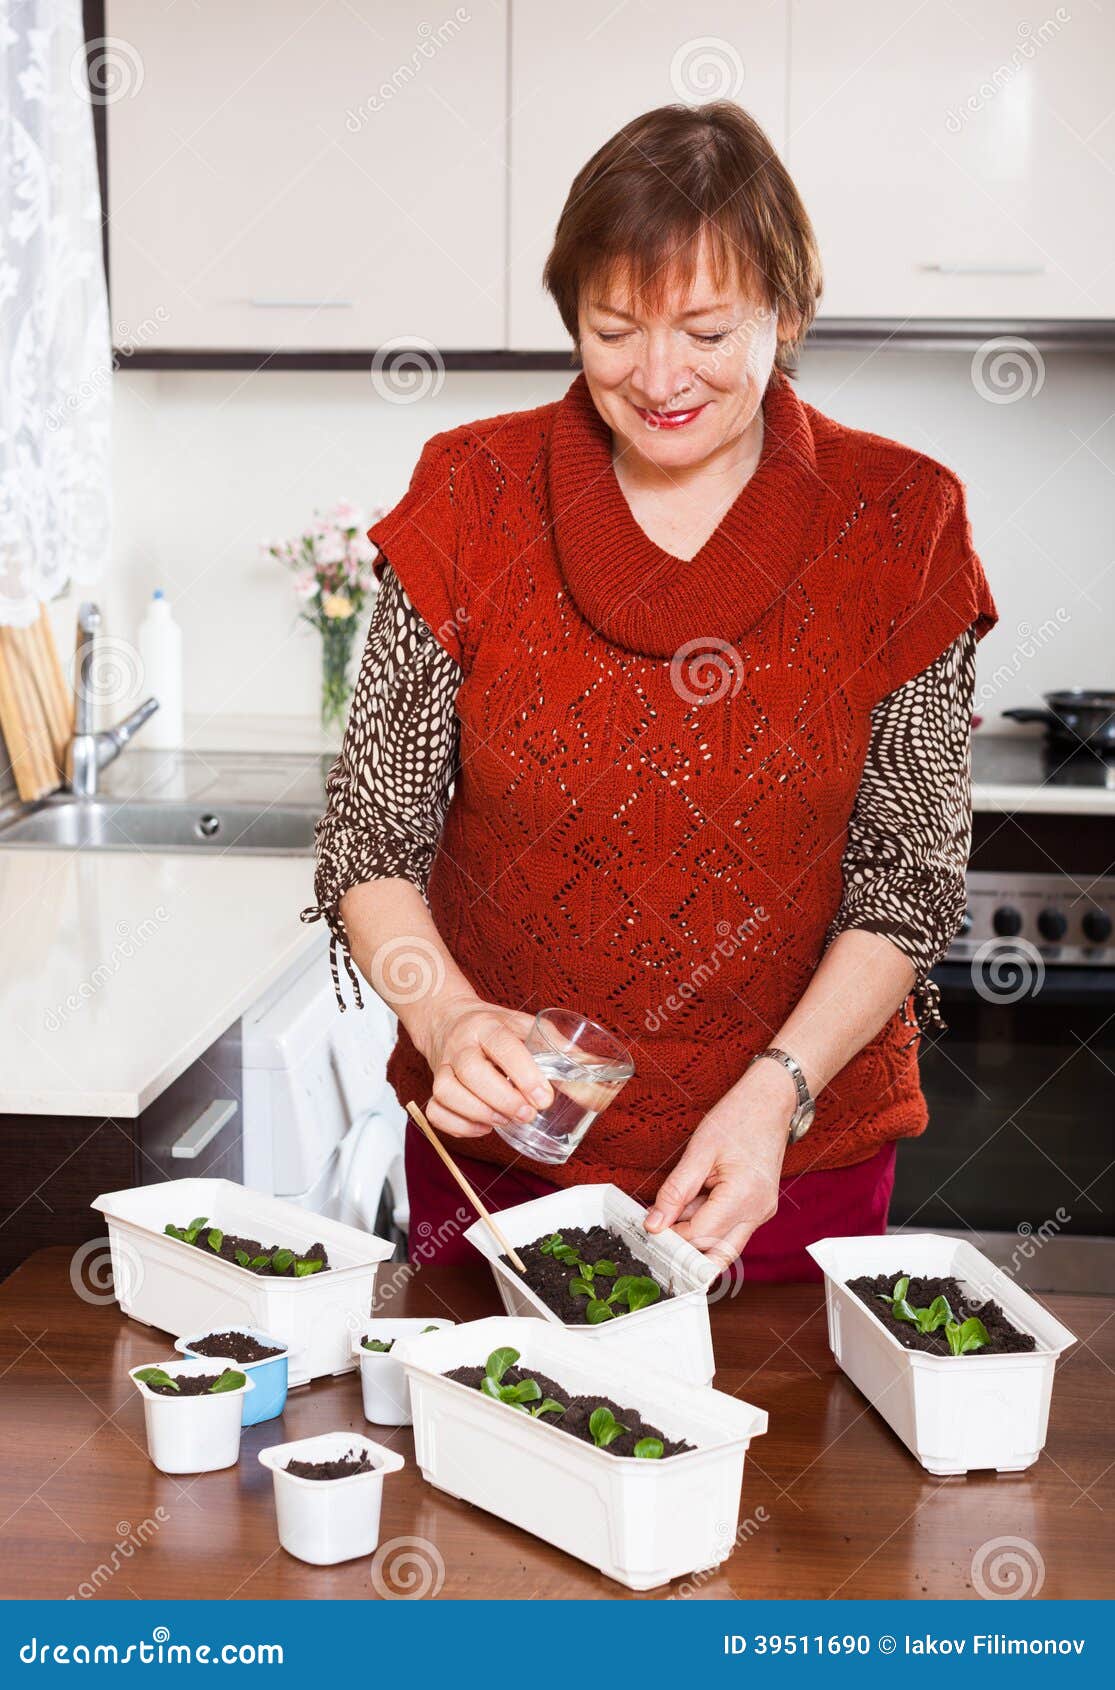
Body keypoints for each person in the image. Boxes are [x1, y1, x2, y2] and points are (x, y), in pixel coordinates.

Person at [304, 101, 996, 1280]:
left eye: (707, 330)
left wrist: (774, 1095)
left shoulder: (900, 520)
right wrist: (446, 1021)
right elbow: (370, 838)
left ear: (786, 311)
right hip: (500, 1161)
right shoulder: (471, 492)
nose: (658, 375)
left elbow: (906, 880)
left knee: (790, 1460)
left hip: (779, 1164)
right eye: (613, 328)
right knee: (482, 1449)